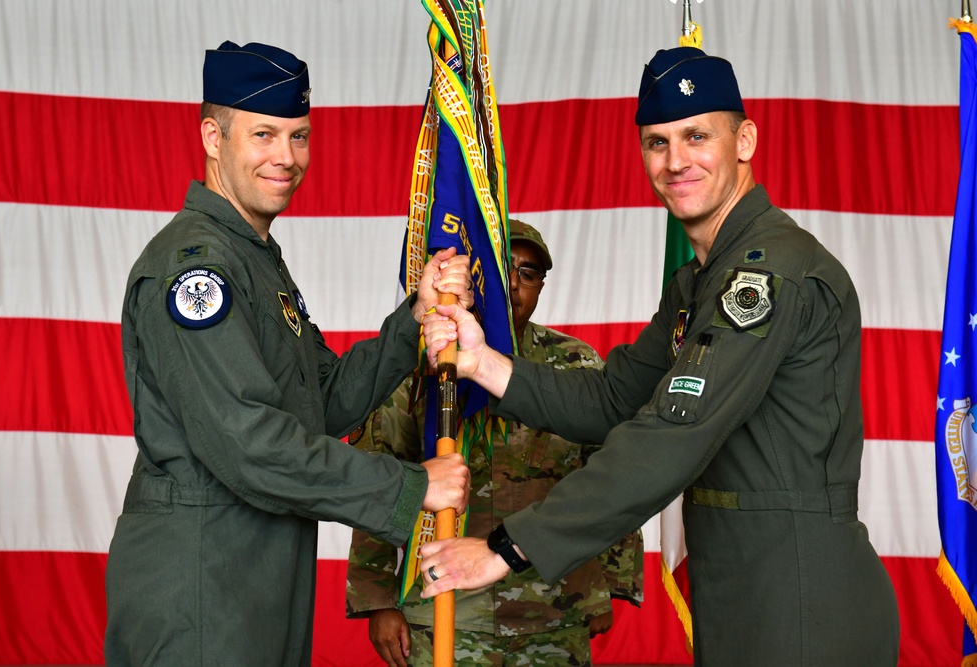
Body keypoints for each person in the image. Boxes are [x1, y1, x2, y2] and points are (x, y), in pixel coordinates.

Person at [416, 47, 901, 666]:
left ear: (745, 139)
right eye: (657, 142)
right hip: (743, 588)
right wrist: (483, 361)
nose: (676, 162)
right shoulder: (699, 281)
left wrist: (506, 548)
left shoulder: (767, 273)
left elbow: (672, 434)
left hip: (798, 592)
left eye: (697, 136)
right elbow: (614, 399)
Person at [104, 41, 473, 666]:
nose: (287, 157)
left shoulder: (252, 256)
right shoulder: (196, 269)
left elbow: (320, 404)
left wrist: (413, 320)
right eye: (265, 135)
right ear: (212, 137)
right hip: (203, 581)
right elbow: (250, 443)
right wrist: (411, 489)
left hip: (253, 574)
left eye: (299, 136)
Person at [345, 220, 644, 667]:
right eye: (506, 270)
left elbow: (613, 475)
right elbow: (381, 475)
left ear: (542, 285)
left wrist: (608, 586)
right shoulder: (427, 360)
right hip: (445, 608)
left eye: (530, 273)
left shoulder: (577, 364)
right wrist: (378, 599)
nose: (517, 287)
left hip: (555, 607)